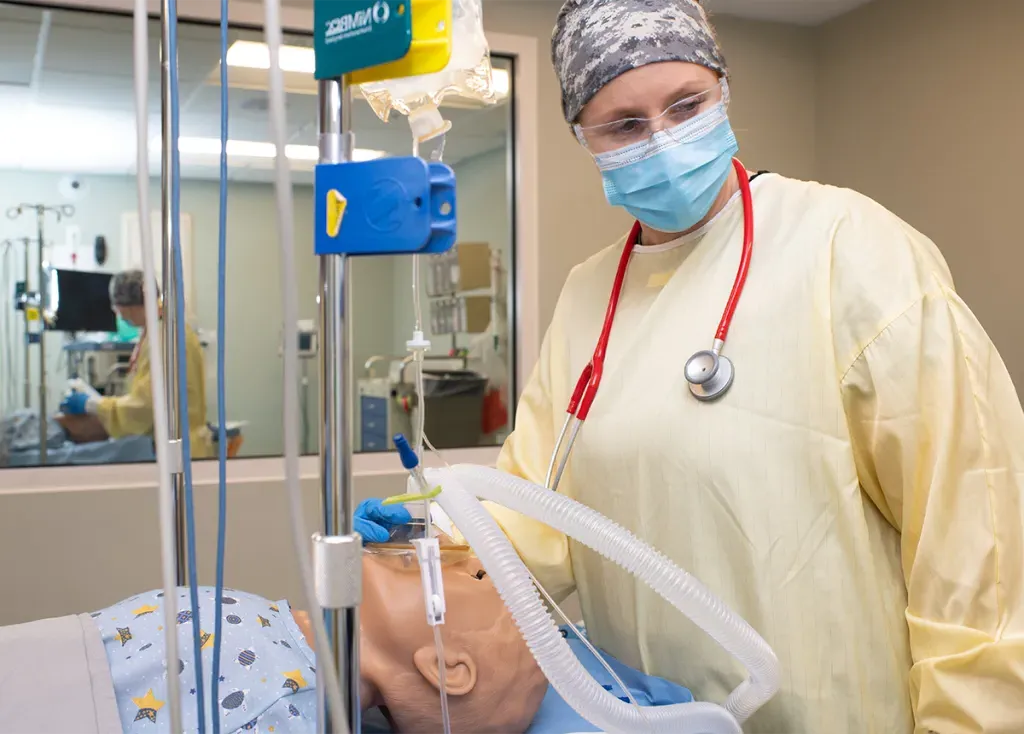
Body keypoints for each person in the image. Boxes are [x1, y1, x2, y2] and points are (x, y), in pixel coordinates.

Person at [358, 1, 1024, 732]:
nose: (664, 141)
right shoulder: (589, 294)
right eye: (625, 125)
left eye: (686, 105)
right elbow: (534, 513)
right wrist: (435, 544)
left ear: (723, 90)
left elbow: (977, 540)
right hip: (656, 716)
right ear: (583, 136)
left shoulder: (850, 249)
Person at [1, 542, 690, 733]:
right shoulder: (288, 636)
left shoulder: (284, 707)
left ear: (448, 668)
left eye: (476, 574)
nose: (449, 554)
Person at [59, 269, 213, 458]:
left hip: (176, 450)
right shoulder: (159, 330)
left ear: (129, 306)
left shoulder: (164, 338)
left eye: (118, 309)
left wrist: (92, 405)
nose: (118, 315)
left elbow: (145, 406)